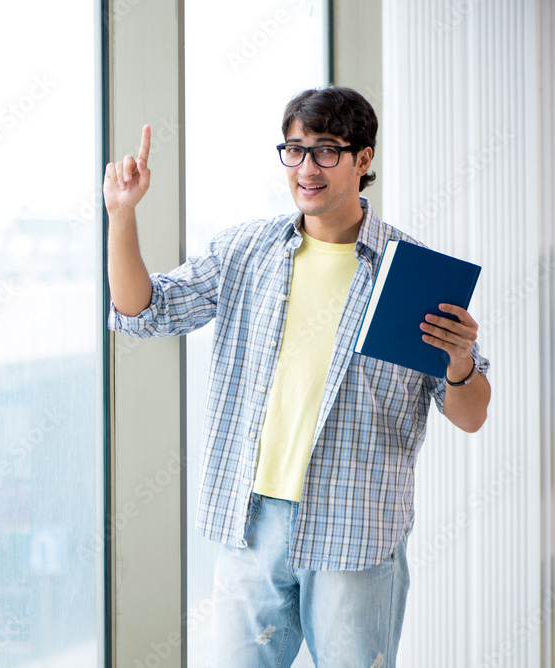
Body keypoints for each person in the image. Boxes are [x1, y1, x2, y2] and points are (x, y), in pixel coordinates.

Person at [102, 86, 491, 667]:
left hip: (355, 529)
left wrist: (460, 362)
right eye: (295, 150)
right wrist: (122, 214)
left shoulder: (411, 274)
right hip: (252, 524)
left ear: (363, 159)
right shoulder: (246, 251)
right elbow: (144, 311)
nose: (307, 168)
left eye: (327, 151)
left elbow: (471, 414)